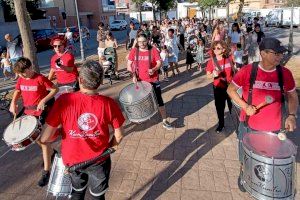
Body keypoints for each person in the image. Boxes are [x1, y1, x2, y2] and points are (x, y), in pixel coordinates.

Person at [40, 60, 125, 200]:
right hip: (99, 161)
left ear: (80, 79)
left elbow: (45, 138)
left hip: (73, 161)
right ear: (100, 81)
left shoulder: (63, 100)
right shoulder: (108, 104)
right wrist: (111, 148)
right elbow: (119, 135)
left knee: (77, 192)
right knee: (97, 196)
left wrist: (62, 129)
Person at [227, 38, 298, 189]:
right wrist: (245, 106)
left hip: (275, 129)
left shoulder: (285, 73)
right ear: (263, 53)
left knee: (269, 160)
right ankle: (244, 175)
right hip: (249, 126)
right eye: (276, 53)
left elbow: (292, 95)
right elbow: (230, 90)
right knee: (245, 156)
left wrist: (292, 115)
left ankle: (263, 184)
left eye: (281, 53)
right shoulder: (247, 71)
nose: (280, 56)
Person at [9, 57, 58, 187]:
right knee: (34, 139)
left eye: (23, 72)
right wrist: (13, 103)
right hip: (28, 113)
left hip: (41, 112)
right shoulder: (21, 79)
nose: (21, 76)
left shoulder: (40, 78)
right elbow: (18, 91)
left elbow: (54, 89)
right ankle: (52, 153)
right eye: (20, 74)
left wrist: (43, 100)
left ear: (29, 68)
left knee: (43, 141)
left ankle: (46, 171)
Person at [127, 33, 173, 130]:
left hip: (153, 80)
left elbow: (159, 62)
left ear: (147, 40)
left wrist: (154, 69)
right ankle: (141, 117)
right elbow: (129, 64)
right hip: (140, 81)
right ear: (137, 42)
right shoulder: (134, 51)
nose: (142, 43)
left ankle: (164, 120)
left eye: (144, 41)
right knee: (140, 99)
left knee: (159, 100)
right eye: (139, 42)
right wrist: (133, 75)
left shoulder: (153, 50)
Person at [206, 41, 233, 133]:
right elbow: (208, 76)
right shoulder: (211, 62)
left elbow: (234, 71)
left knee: (232, 107)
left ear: (223, 49)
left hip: (231, 87)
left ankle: (237, 125)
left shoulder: (229, 59)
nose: (215, 50)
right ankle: (221, 124)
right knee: (220, 107)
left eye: (218, 48)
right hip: (218, 88)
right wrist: (213, 74)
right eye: (214, 48)